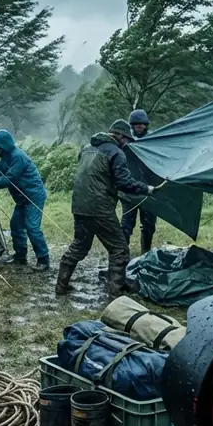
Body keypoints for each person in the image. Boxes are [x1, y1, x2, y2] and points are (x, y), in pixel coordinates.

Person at [56, 120, 153, 299]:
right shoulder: (116, 153)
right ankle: (115, 295)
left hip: (79, 205)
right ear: (120, 136)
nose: (126, 144)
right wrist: (146, 188)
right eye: (126, 140)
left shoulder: (86, 149)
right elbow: (124, 182)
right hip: (100, 208)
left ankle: (61, 286)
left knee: (79, 246)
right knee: (119, 250)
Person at [0, 129, 50, 271]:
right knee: (16, 225)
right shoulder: (6, 156)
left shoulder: (18, 156)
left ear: (4, 145)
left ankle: (43, 260)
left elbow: (9, 179)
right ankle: (20, 255)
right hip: (21, 198)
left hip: (33, 196)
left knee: (32, 227)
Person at [120, 109, 158, 257]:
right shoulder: (125, 140)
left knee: (149, 225)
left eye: (142, 125)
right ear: (132, 125)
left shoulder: (153, 139)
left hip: (149, 188)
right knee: (126, 224)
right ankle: (122, 254)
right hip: (129, 187)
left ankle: (146, 252)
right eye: (136, 125)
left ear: (146, 125)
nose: (139, 127)